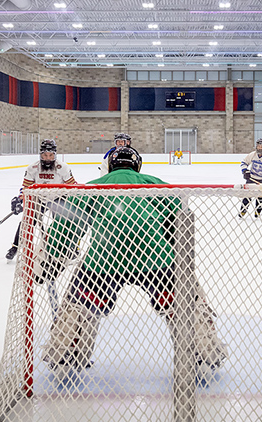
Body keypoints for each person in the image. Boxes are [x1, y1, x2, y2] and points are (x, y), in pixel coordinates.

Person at [41, 146, 227, 371]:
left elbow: (67, 223)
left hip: (104, 259)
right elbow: (179, 211)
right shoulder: (152, 183)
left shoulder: (94, 187)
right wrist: (170, 244)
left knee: (80, 304)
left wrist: (52, 259)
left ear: (110, 166)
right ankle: (204, 349)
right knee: (186, 302)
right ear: (137, 165)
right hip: (156, 258)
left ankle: (65, 350)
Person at [6, 139, 76, 261]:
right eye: (45, 155)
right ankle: (15, 246)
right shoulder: (33, 168)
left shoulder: (62, 168)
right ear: (40, 155)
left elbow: (73, 186)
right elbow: (26, 187)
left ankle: (71, 247)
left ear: (55, 155)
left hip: (58, 198)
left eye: (51, 155)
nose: (48, 158)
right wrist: (19, 199)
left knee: (63, 224)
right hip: (39, 199)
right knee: (27, 222)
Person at [239, 138, 262, 218]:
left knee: (261, 197)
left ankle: (257, 212)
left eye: (261, 147)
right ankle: (243, 210)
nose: (260, 148)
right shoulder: (252, 155)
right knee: (247, 195)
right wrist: (245, 171)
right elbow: (244, 162)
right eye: (258, 146)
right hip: (252, 178)